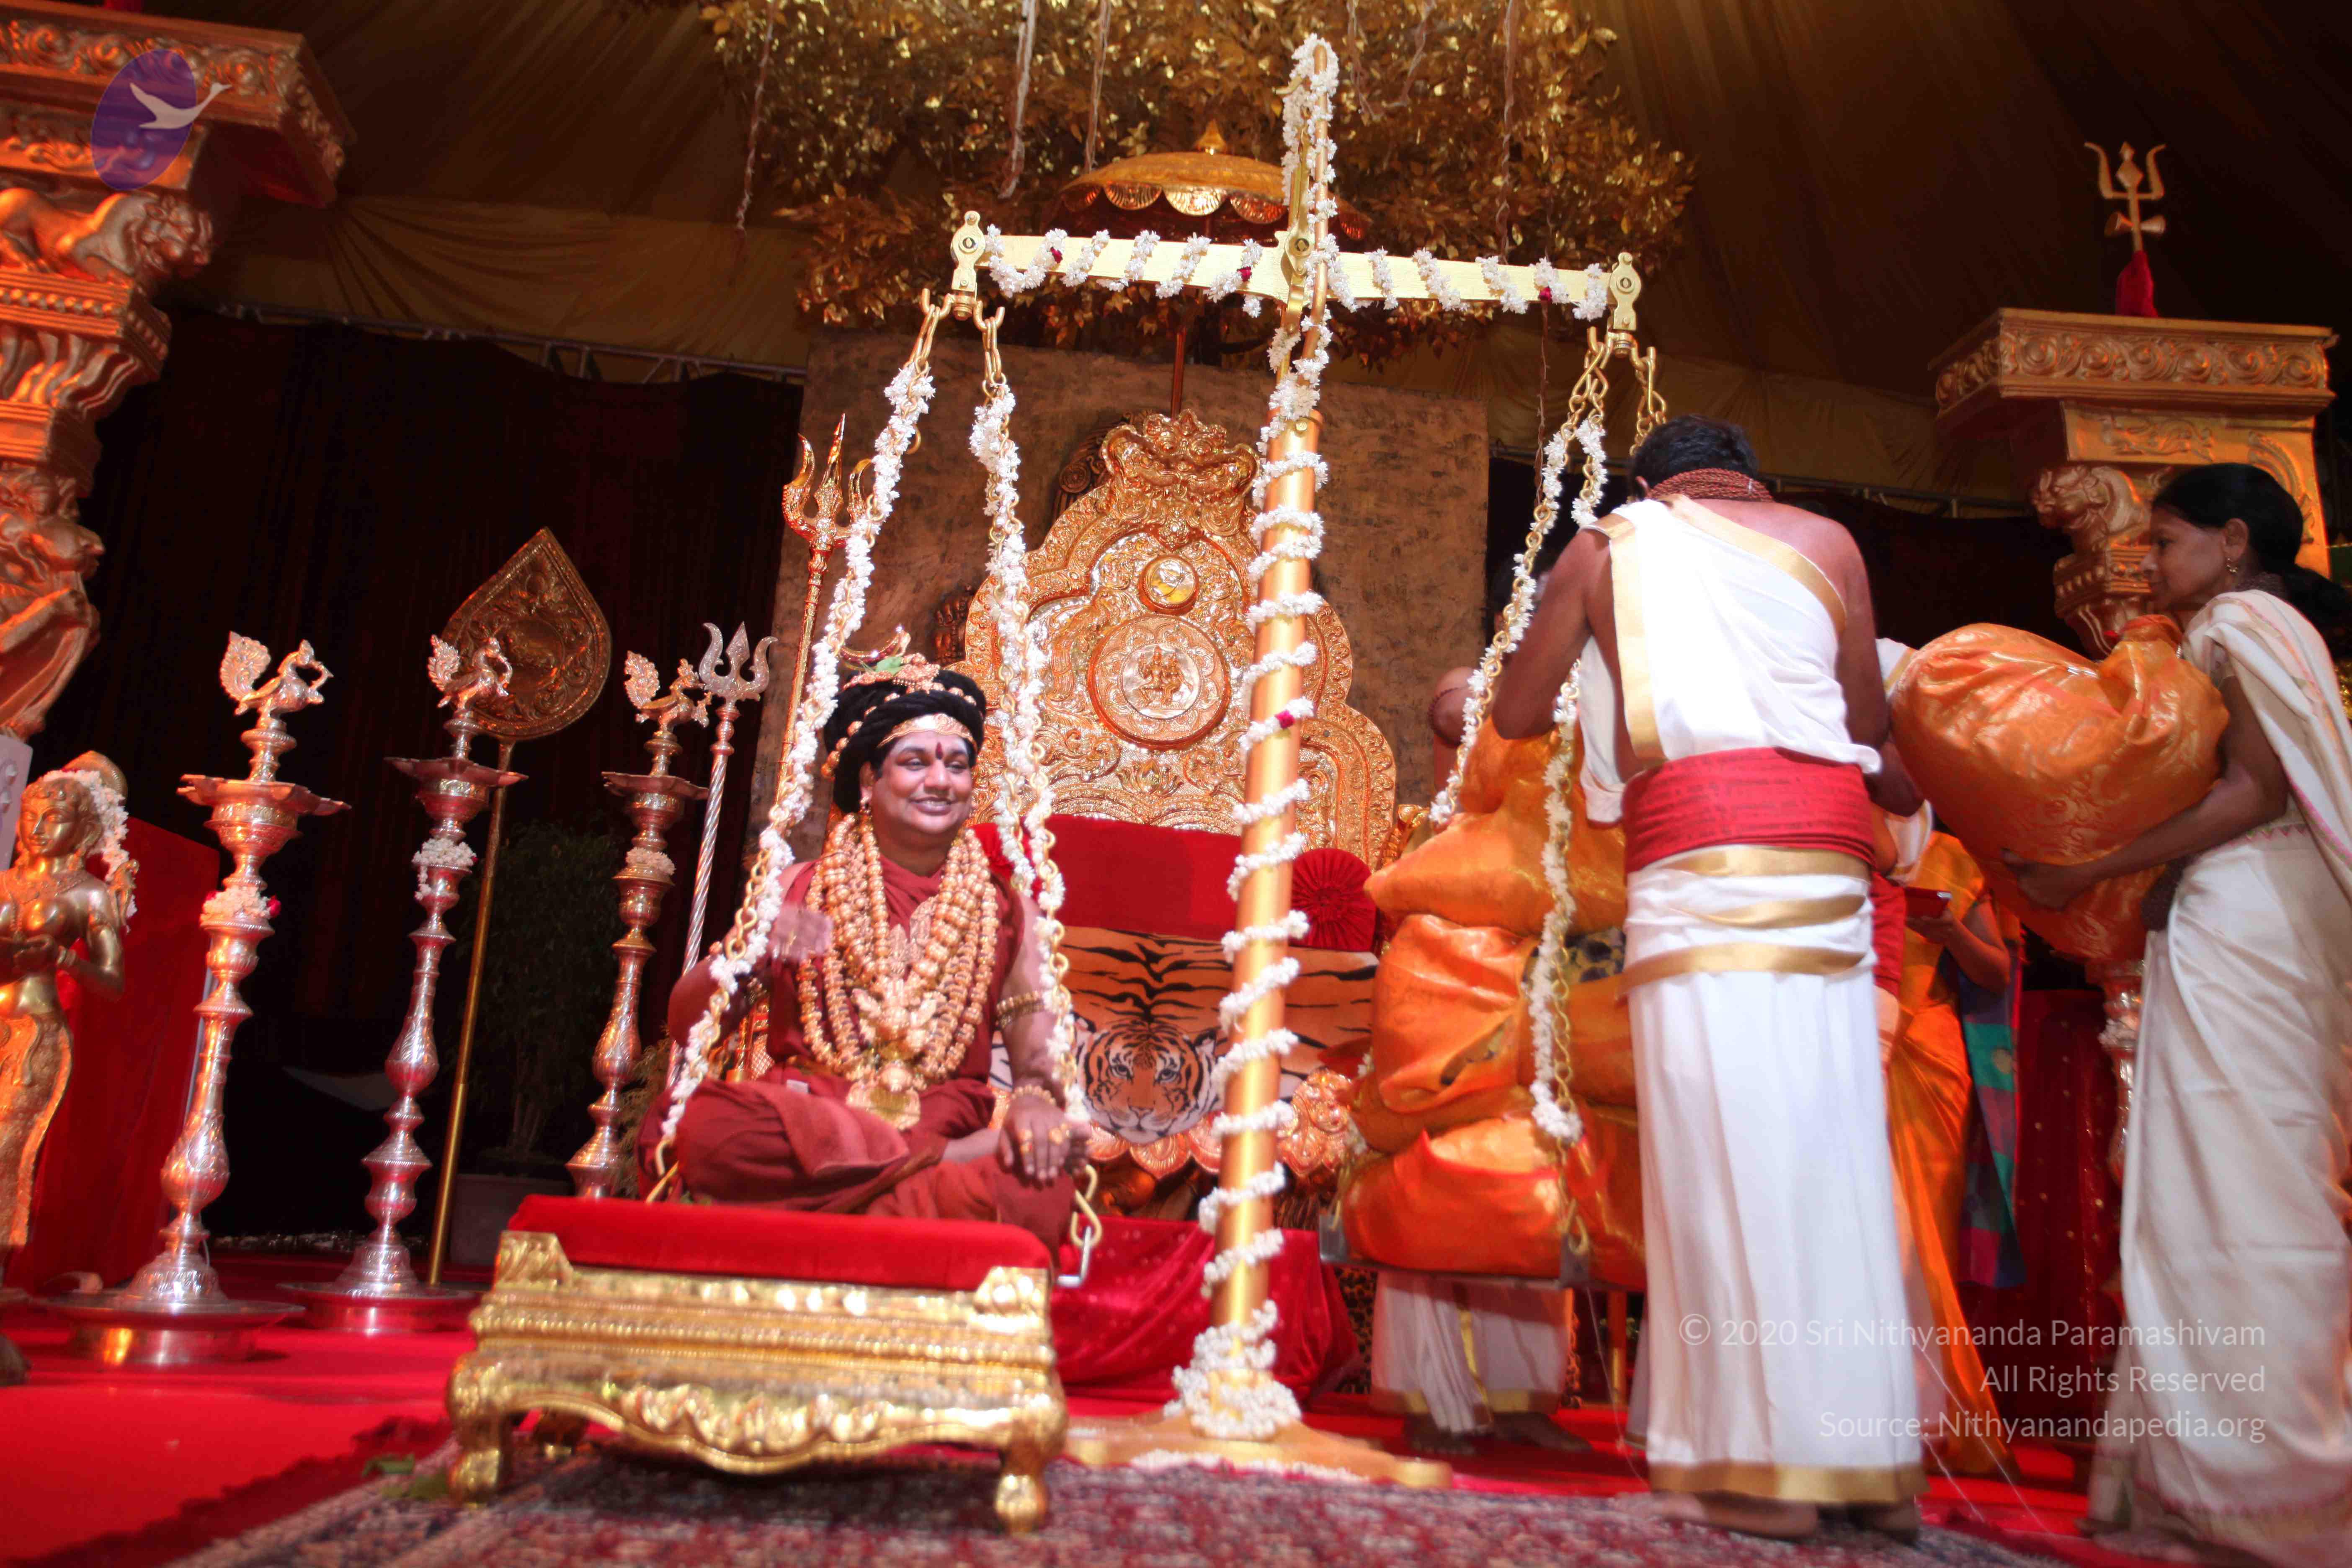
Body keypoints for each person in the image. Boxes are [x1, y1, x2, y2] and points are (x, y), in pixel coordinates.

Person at [1492, 414, 1924, 1541]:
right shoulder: (1828, 540)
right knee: (1831, 1150)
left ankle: (1760, 1470)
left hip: (1702, 862)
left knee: (1722, 1160)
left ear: (1649, 487)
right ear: (1752, 481)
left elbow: (1515, 711)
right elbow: (1865, 721)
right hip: (1828, 869)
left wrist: (1596, 635)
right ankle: (1868, 1466)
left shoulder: (1613, 546)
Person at [2006, 463, 2352, 1567]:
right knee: (2228, 1182)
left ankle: (2275, 1492)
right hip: (2263, 912)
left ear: (2233, 540)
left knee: (2237, 1191)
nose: (2148, 563)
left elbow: (2251, 792)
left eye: (2164, 543)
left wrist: (2085, 870)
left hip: (2247, 913)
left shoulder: (2240, 624)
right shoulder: (2272, 628)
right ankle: (2205, 1484)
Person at [637, 652, 1086, 1251]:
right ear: (869, 783)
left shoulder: (1006, 907)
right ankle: (914, 1192)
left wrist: (1034, 1104)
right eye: (915, 762)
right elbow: (687, 1025)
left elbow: (1039, 1062)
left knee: (1041, 1176)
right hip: (815, 1125)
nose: (941, 781)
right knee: (698, 1123)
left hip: (924, 1125)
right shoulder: (796, 886)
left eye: (957, 765)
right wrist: (750, 949)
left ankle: (843, 1211)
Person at [0, 757, 131, 1279]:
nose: (38, 828)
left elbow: (113, 983)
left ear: (82, 829)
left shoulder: (88, 892)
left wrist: (61, 958)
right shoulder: (4, 881)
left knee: (7, 1146)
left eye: (54, 819)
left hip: (35, 1033)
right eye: (31, 816)